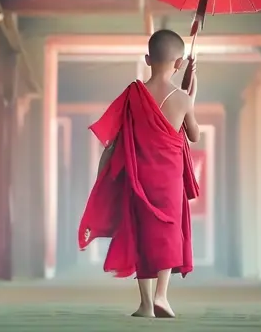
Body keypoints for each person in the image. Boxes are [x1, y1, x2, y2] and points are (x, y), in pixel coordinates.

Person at [77, 29, 201, 318]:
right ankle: (162, 296)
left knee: (141, 234)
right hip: (169, 181)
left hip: (138, 178)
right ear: (179, 63)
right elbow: (193, 135)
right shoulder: (182, 99)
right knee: (169, 233)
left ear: (147, 59)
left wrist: (101, 178)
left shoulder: (133, 95)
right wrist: (191, 96)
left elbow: (115, 140)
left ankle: (145, 304)